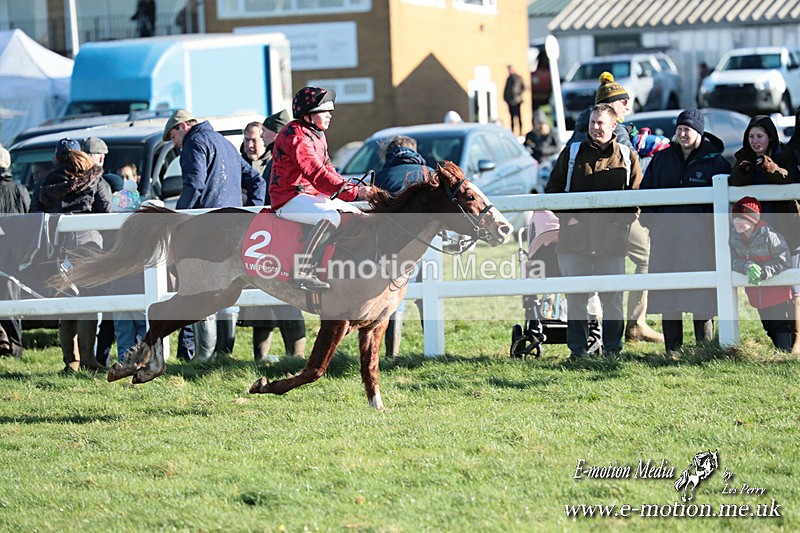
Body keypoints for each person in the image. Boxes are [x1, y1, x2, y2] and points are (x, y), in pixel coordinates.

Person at [566, 72, 663, 344]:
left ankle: (602, 333)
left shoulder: (579, 129)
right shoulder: (616, 130)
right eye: (623, 103)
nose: (627, 108)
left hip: (584, 216)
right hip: (611, 216)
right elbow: (630, 172)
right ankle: (635, 323)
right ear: (611, 106)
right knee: (646, 257)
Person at [164, 108, 266, 362]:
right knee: (229, 290)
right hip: (233, 229)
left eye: (173, 136)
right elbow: (257, 181)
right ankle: (223, 354)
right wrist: (251, 213)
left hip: (207, 230)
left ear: (183, 127)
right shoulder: (224, 142)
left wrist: (178, 221)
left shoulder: (194, 143)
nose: (174, 143)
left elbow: (195, 184)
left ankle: (203, 356)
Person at [545, 103, 642, 358]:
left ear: (613, 126)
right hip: (574, 241)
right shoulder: (572, 153)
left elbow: (637, 199)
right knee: (576, 298)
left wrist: (618, 224)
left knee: (612, 299)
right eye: (592, 122)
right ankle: (577, 352)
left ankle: (612, 350)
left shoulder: (627, 156)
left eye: (601, 123)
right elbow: (552, 191)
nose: (595, 127)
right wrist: (569, 219)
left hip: (612, 242)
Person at [640, 109, 731, 357]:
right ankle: (673, 350)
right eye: (680, 129)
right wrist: (654, 224)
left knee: (701, 296)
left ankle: (704, 349)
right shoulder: (662, 159)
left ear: (698, 132)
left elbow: (724, 207)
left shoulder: (716, 162)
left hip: (701, 243)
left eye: (687, 129)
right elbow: (646, 194)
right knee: (669, 294)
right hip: (666, 240)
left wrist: (710, 232)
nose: (682, 134)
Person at [269, 86, 374, 291]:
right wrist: (354, 191)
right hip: (288, 197)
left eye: (330, 112)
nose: (329, 116)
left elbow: (329, 169)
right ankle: (303, 272)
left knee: (358, 213)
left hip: (309, 195)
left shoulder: (315, 133)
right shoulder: (296, 135)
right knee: (330, 217)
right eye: (325, 111)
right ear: (308, 114)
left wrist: (355, 188)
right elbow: (317, 173)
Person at [31, 138, 111, 373]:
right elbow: (106, 212)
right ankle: (88, 358)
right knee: (88, 302)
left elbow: (34, 215)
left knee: (66, 304)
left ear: (56, 157)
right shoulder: (95, 178)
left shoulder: (47, 181)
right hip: (89, 247)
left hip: (57, 248)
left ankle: (70, 362)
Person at [240, 110, 307, 361]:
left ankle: (296, 356)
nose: (255, 141)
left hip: (280, 236)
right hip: (267, 236)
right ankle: (262, 358)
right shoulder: (276, 156)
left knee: (285, 297)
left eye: (263, 133)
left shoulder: (281, 157)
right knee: (264, 298)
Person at [733, 114, 800, 352]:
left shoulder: (785, 155)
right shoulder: (743, 158)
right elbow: (734, 183)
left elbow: (789, 179)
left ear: (770, 136)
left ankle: (791, 343)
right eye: (751, 136)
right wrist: (745, 171)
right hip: (754, 235)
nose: (755, 141)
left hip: (784, 231)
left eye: (759, 136)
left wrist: (770, 167)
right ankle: (776, 339)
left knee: (788, 290)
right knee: (760, 287)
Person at [374, 135, 432, 356]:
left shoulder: (380, 176)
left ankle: (391, 353)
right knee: (427, 298)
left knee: (393, 298)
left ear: (388, 154)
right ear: (414, 152)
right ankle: (432, 347)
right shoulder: (428, 175)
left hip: (390, 248)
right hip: (424, 246)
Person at [730, 196, 793, 351]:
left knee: (781, 324)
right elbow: (733, 260)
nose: (737, 222)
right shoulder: (734, 236)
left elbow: (784, 260)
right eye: (735, 218)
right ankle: (779, 350)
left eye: (742, 219)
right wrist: (747, 266)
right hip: (755, 291)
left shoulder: (770, 235)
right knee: (768, 326)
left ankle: (786, 354)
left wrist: (764, 271)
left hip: (777, 290)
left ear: (753, 220)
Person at [0, 146, 30, 358]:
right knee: (12, 301)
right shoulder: (19, 189)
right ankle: (15, 347)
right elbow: (30, 216)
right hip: (13, 254)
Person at [503, 65, 526, 136]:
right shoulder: (508, 79)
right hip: (510, 102)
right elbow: (506, 90)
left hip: (517, 101)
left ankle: (520, 132)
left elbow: (523, 87)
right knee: (512, 118)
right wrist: (506, 98)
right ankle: (512, 132)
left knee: (518, 118)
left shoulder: (518, 78)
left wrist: (518, 95)